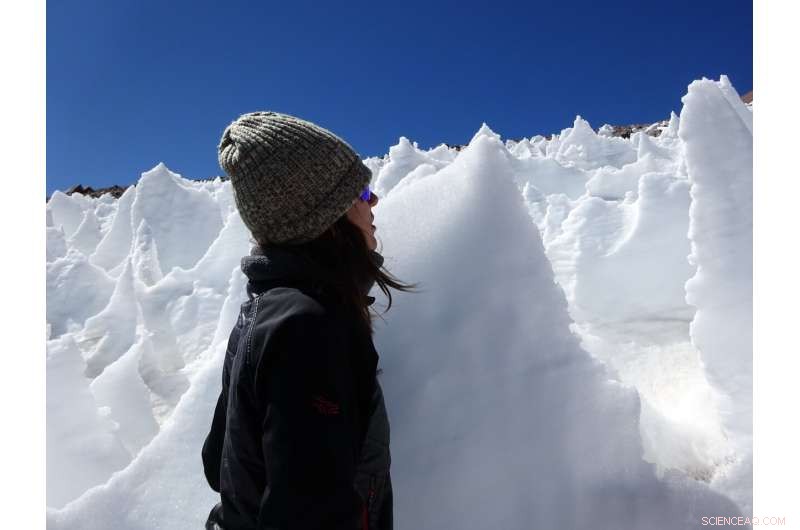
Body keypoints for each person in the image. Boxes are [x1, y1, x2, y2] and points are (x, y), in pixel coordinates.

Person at [201, 111, 413, 530]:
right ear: (323, 215)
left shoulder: (261, 315)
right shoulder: (309, 327)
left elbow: (218, 462)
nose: (373, 202)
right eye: (361, 192)